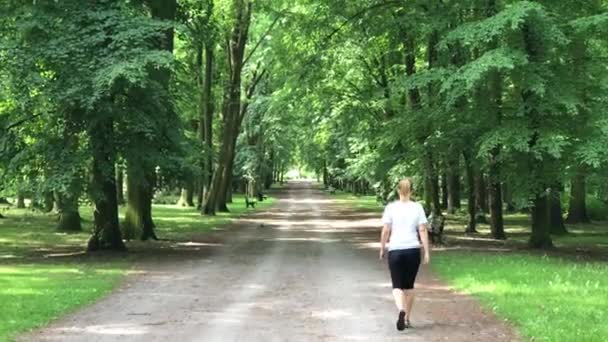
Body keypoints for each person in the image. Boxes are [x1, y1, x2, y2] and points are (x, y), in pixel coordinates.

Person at [379, 178, 430, 331]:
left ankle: (401, 309)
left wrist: (382, 247)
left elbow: (386, 230)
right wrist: (426, 251)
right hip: (412, 250)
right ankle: (407, 318)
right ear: (412, 191)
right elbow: (422, 230)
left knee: (397, 287)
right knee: (409, 287)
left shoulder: (391, 207)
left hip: (395, 250)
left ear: (398, 190)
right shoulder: (417, 207)